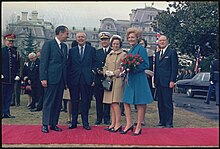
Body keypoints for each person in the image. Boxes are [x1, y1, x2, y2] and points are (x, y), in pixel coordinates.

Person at [121, 28, 154, 136]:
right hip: (131, 79)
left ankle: (139, 126)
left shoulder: (141, 49)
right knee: (126, 101)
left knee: (140, 103)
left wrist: (133, 68)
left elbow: (145, 65)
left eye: (132, 37)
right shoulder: (130, 50)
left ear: (137, 38)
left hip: (139, 78)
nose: (130, 39)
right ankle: (129, 123)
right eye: (129, 37)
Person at [40, 25, 69, 133]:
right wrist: (43, 78)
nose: (67, 36)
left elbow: (64, 64)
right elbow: (44, 62)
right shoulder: (49, 44)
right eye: (67, 34)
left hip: (61, 79)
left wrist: (65, 80)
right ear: (60, 33)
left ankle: (53, 124)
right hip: (51, 78)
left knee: (57, 102)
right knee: (49, 102)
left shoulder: (65, 47)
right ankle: (45, 124)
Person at [67, 32, 97, 130]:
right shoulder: (72, 51)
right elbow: (69, 65)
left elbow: (94, 63)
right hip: (74, 80)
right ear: (76, 39)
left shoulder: (92, 50)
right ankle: (74, 122)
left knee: (85, 101)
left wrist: (92, 76)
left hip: (86, 79)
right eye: (79, 37)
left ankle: (85, 123)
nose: (80, 38)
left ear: (86, 38)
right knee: (74, 101)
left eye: (82, 37)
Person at [102, 35, 127, 132]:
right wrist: (105, 72)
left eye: (117, 43)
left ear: (120, 44)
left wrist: (115, 73)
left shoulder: (123, 54)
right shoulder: (109, 55)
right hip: (109, 81)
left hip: (118, 80)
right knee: (111, 103)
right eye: (114, 44)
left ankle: (118, 123)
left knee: (116, 103)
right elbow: (105, 66)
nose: (115, 45)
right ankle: (113, 123)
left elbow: (123, 68)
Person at [154, 35, 178, 128]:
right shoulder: (157, 54)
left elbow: (174, 68)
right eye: (160, 41)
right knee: (160, 102)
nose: (162, 42)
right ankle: (162, 121)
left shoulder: (172, 52)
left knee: (167, 102)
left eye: (163, 40)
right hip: (159, 82)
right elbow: (156, 68)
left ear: (167, 41)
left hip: (167, 82)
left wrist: (172, 80)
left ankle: (169, 122)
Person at [93, 32, 112, 125]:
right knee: (98, 99)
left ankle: (107, 118)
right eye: (102, 40)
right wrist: (98, 70)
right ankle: (99, 118)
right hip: (99, 78)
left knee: (108, 99)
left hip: (109, 78)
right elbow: (93, 64)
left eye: (106, 40)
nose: (104, 41)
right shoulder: (96, 52)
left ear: (109, 41)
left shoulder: (112, 51)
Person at [2, 33, 20, 118]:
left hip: (11, 78)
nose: (10, 43)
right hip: (3, 78)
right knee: (2, 95)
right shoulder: (2, 51)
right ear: (5, 41)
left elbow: (17, 65)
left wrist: (17, 74)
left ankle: (7, 112)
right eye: (9, 41)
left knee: (9, 96)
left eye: (12, 41)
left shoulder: (15, 52)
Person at [138, 38, 154, 126]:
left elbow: (150, 67)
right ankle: (139, 118)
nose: (141, 45)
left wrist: (145, 71)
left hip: (146, 77)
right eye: (139, 43)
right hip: (137, 77)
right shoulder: (135, 53)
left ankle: (142, 119)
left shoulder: (149, 53)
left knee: (143, 99)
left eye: (142, 44)